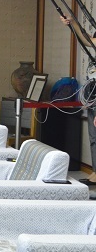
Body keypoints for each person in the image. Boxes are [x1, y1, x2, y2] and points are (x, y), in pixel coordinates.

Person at [61, 15, 96, 185]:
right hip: (92, 92)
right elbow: (88, 41)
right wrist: (73, 23)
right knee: (93, 135)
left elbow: (90, 40)